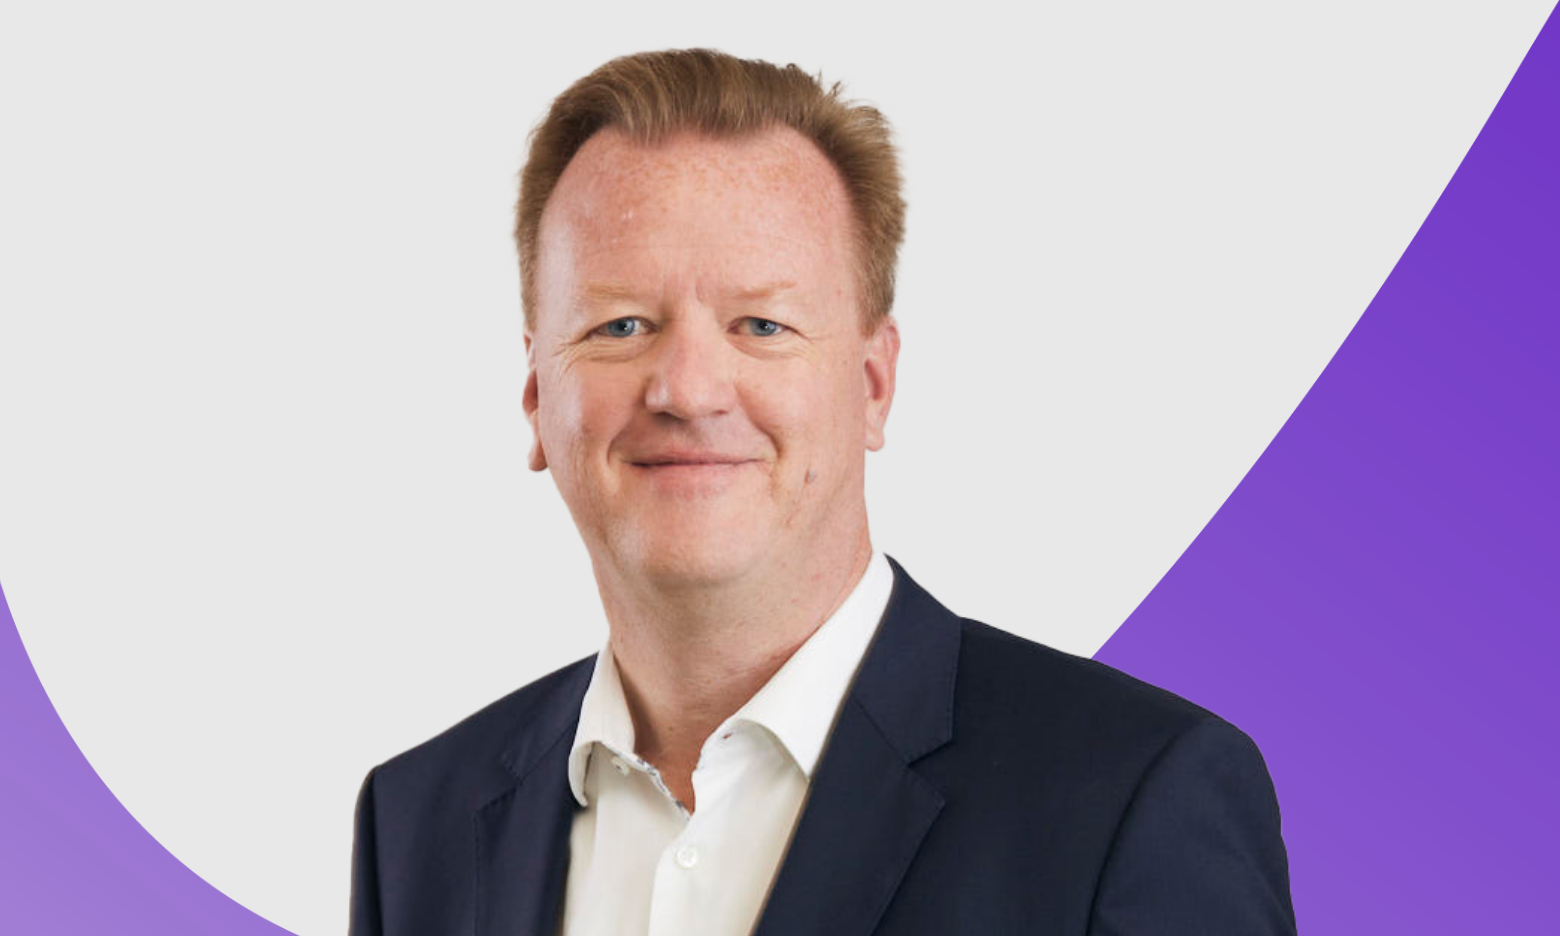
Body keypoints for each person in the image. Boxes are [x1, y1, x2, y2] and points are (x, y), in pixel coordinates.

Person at [348, 48, 1296, 936]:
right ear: (534, 394)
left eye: (761, 325)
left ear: (874, 385)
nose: (687, 390)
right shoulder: (416, 824)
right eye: (621, 325)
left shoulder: (1131, 798)